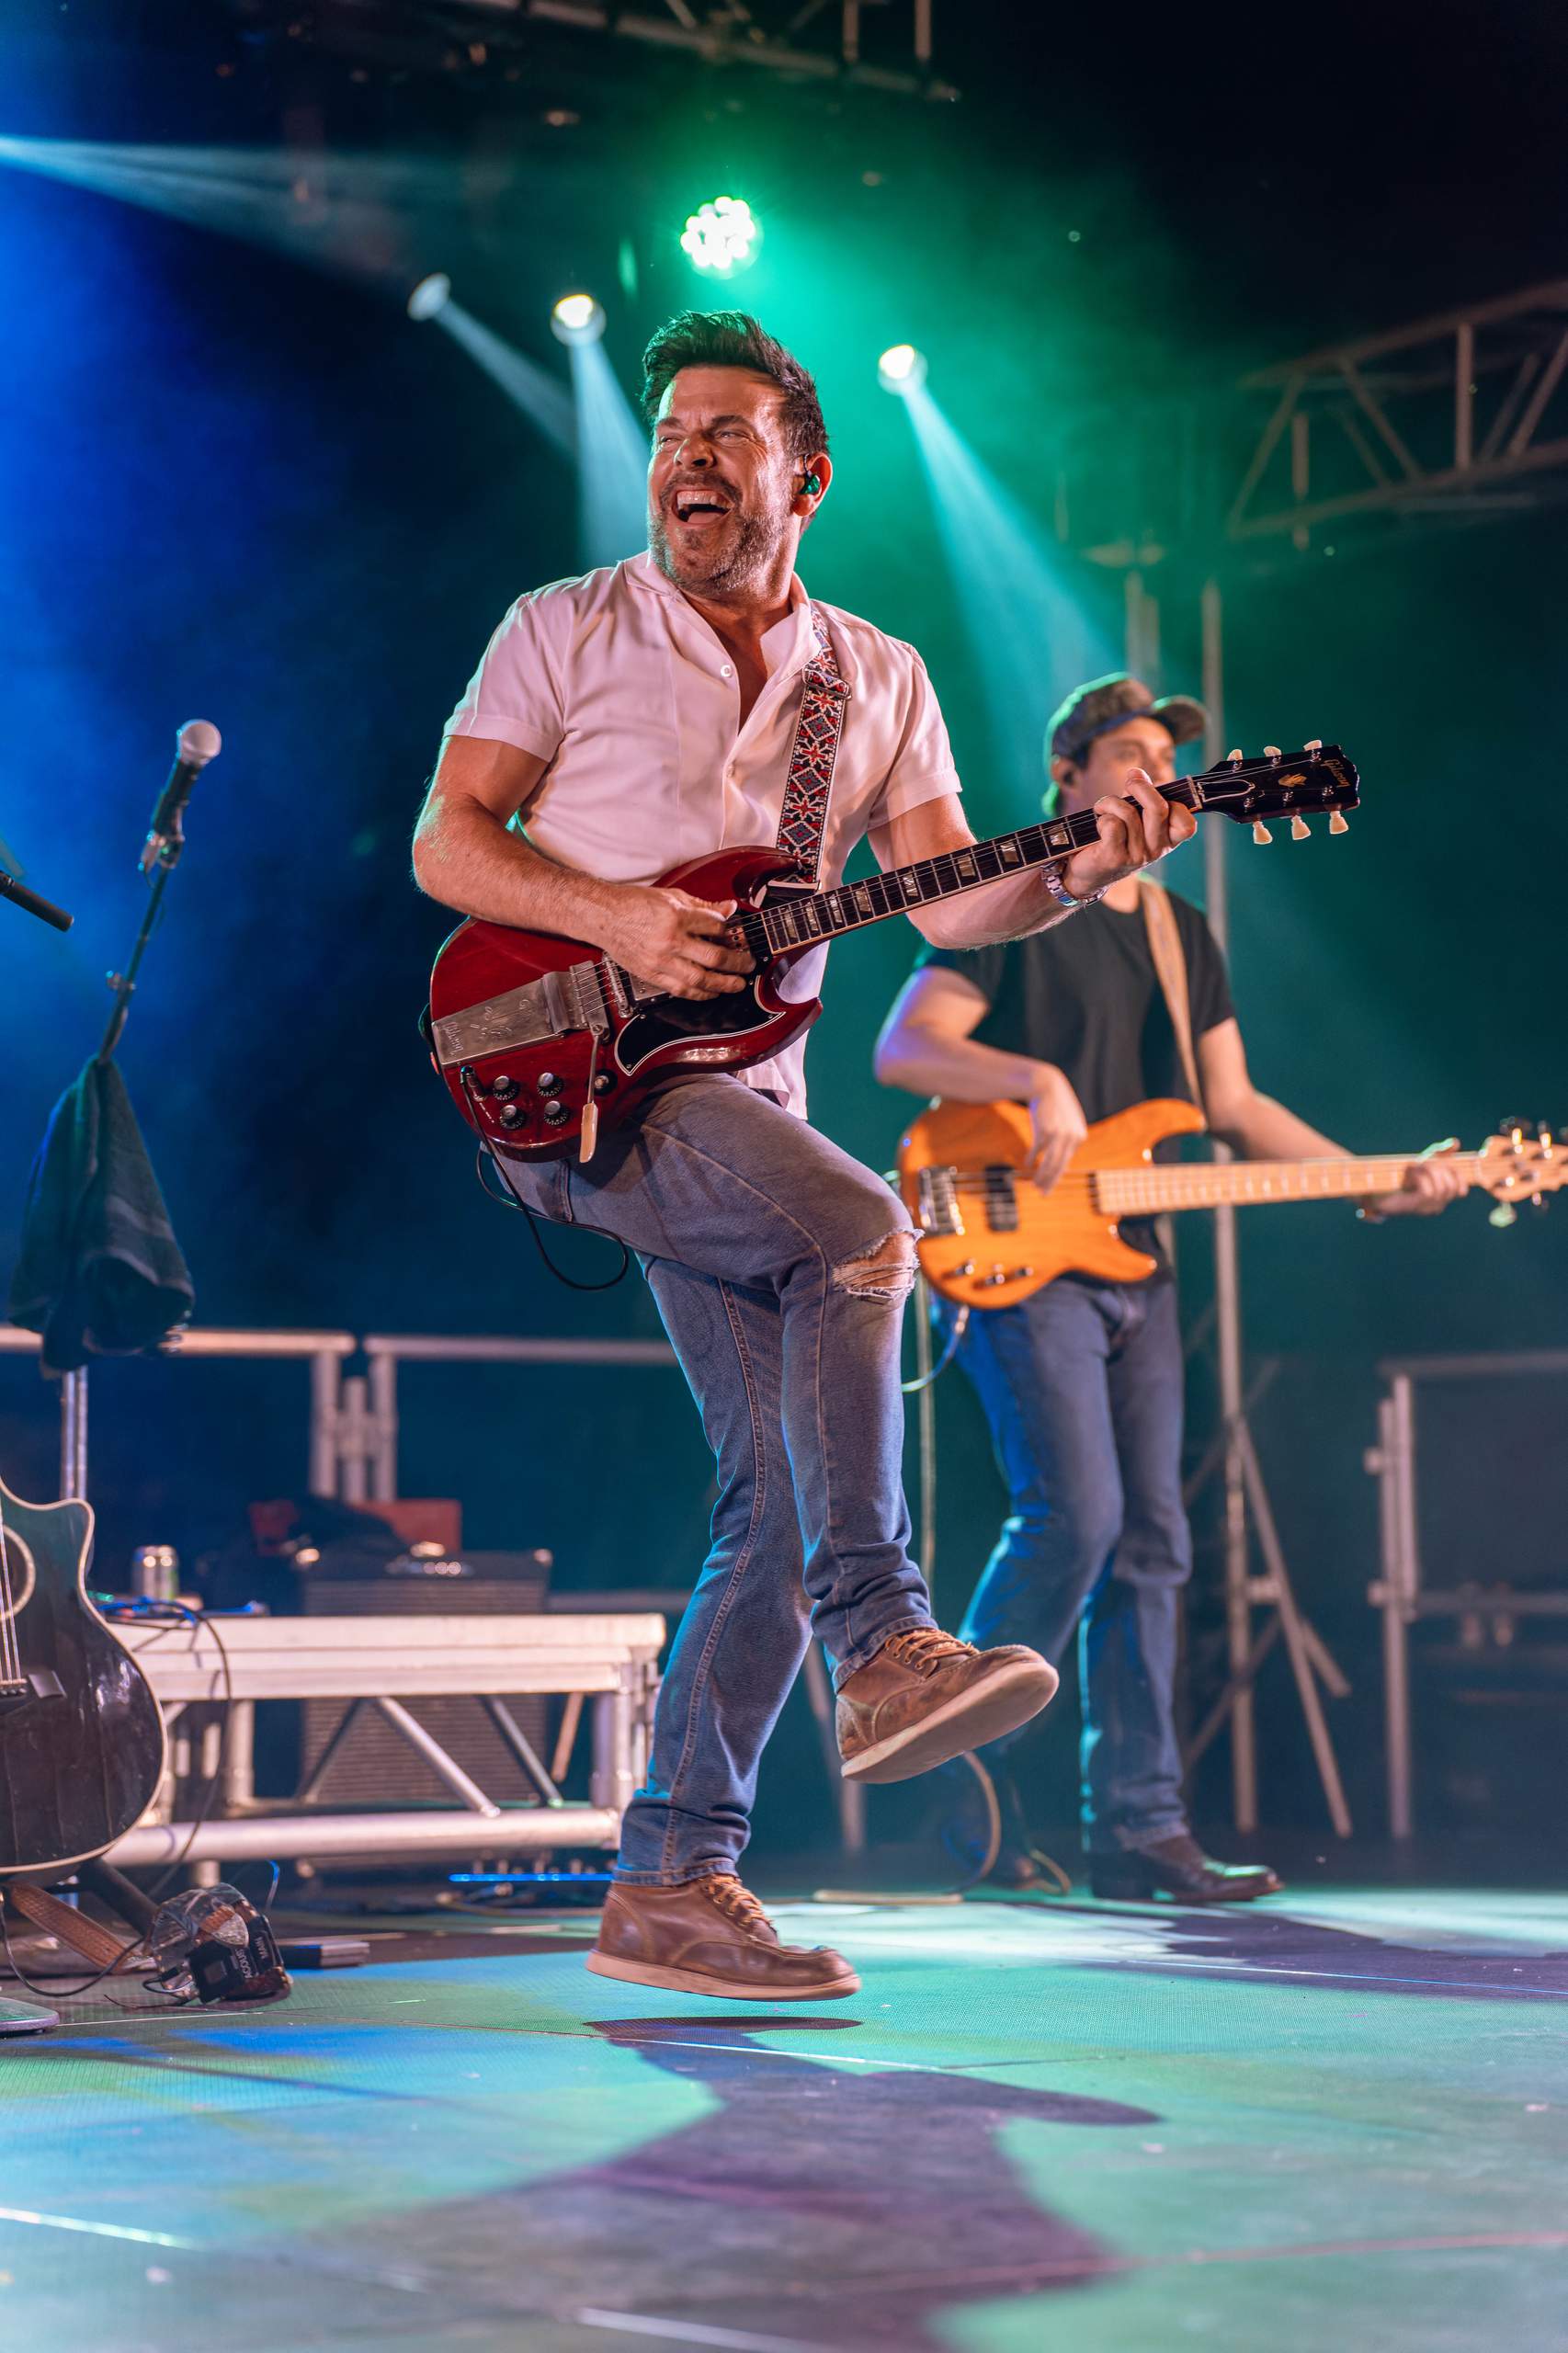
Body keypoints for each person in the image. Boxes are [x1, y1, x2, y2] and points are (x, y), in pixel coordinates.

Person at [412, 318, 1195, 1998]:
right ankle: (887, 1639)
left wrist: (1071, 870)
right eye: (671, 430)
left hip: (740, 1103)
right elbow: (448, 843)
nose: (689, 454)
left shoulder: (875, 676)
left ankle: (672, 1880)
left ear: (803, 477)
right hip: (568, 1071)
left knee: (765, 1501)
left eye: (727, 432)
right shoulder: (562, 627)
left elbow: (947, 893)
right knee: (862, 1230)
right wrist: (616, 911)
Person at [874, 674, 1462, 1903]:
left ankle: (1135, 1832)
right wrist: (1032, 1082)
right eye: (1128, 754)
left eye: (1166, 757)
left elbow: (1233, 1109)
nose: (1154, 772)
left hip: (1137, 1260)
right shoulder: (1012, 903)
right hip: (1014, 1242)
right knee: (1074, 1518)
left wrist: (1377, 1177)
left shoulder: (1181, 934)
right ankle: (969, 1789)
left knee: (1154, 1537)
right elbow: (902, 1045)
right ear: (1068, 781)